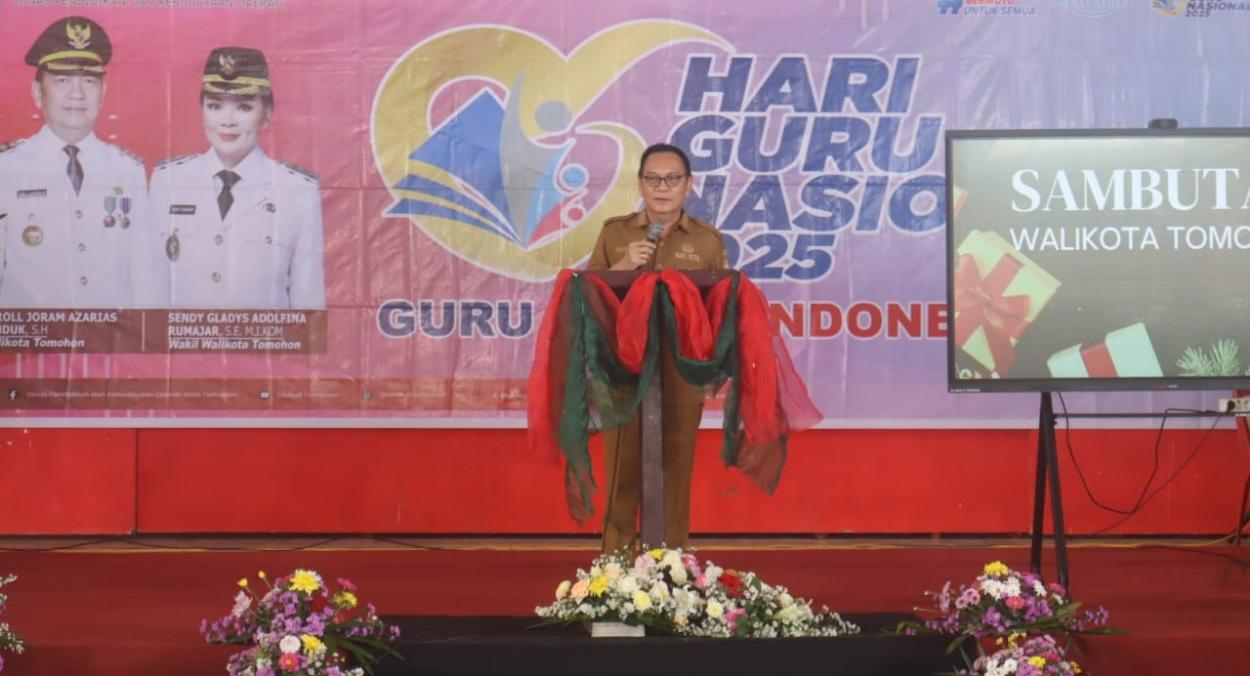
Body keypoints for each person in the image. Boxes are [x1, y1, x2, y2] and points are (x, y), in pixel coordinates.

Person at [586, 142, 728, 554]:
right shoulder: (616, 233)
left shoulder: (707, 240)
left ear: (688, 185)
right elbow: (589, 298)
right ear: (640, 184)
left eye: (672, 179)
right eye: (653, 179)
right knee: (622, 471)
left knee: (675, 472)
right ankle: (616, 569)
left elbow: (721, 308)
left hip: (682, 371)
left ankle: (671, 567)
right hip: (624, 371)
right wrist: (623, 267)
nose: (662, 187)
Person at [149, 46, 325, 309]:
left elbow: (308, 304)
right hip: (184, 335)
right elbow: (152, 290)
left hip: (264, 336)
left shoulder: (297, 190)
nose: (227, 121)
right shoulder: (168, 181)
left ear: (267, 114)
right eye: (215, 106)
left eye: (243, 107)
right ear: (201, 109)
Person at [0, 16, 151, 308]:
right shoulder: (6, 169)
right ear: (37, 93)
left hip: (109, 334)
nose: (77, 94)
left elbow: (145, 278)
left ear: (103, 93)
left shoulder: (127, 170)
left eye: (89, 81)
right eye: (62, 80)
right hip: (34, 335)